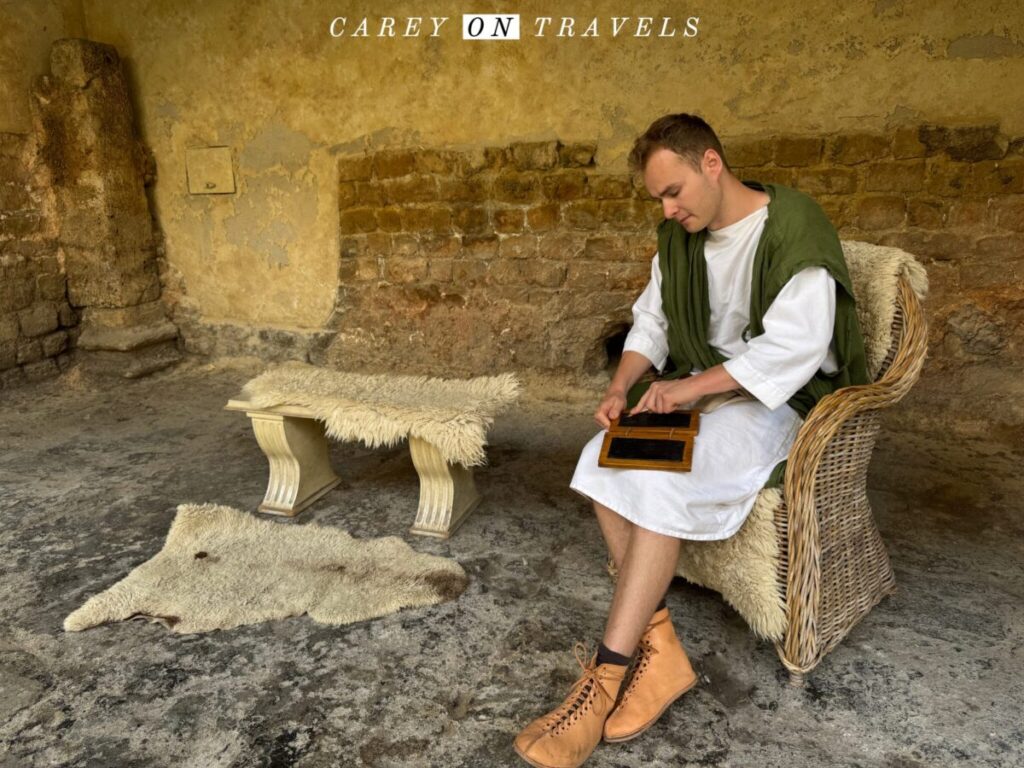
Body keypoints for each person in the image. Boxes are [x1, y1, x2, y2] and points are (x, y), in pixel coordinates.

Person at [513, 113, 870, 768]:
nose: (669, 210)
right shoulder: (679, 241)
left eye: (674, 192)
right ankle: (661, 653)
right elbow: (651, 323)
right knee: (600, 459)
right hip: (703, 393)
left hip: (778, 403)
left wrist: (688, 389)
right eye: (659, 199)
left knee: (659, 477)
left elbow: (797, 348)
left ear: (711, 163)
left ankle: (605, 677)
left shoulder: (794, 225)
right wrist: (622, 386)